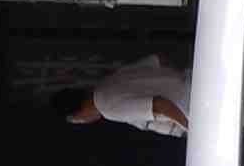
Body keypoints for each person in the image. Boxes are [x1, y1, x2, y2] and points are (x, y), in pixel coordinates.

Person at [54, 55, 192, 137]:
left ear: (76, 116)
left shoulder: (108, 108)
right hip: (192, 80)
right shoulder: (110, 80)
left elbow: (159, 105)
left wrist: (192, 129)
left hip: (192, 105)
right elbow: (158, 59)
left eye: (78, 122)